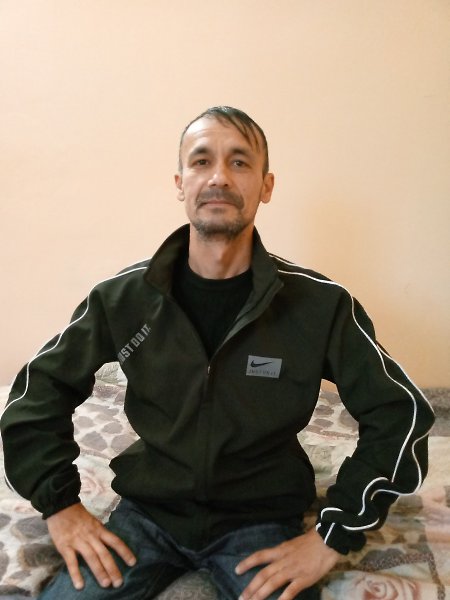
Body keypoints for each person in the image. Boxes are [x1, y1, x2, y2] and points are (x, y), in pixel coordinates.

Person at [1, 106, 434, 600]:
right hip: (147, 515)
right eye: (202, 161)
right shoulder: (123, 298)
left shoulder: (321, 305)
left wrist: (331, 537)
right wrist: (60, 506)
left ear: (266, 186)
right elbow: (37, 393)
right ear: (180, 183)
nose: (219, 177)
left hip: (262, 522)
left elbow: (401, 413)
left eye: (240, 162)